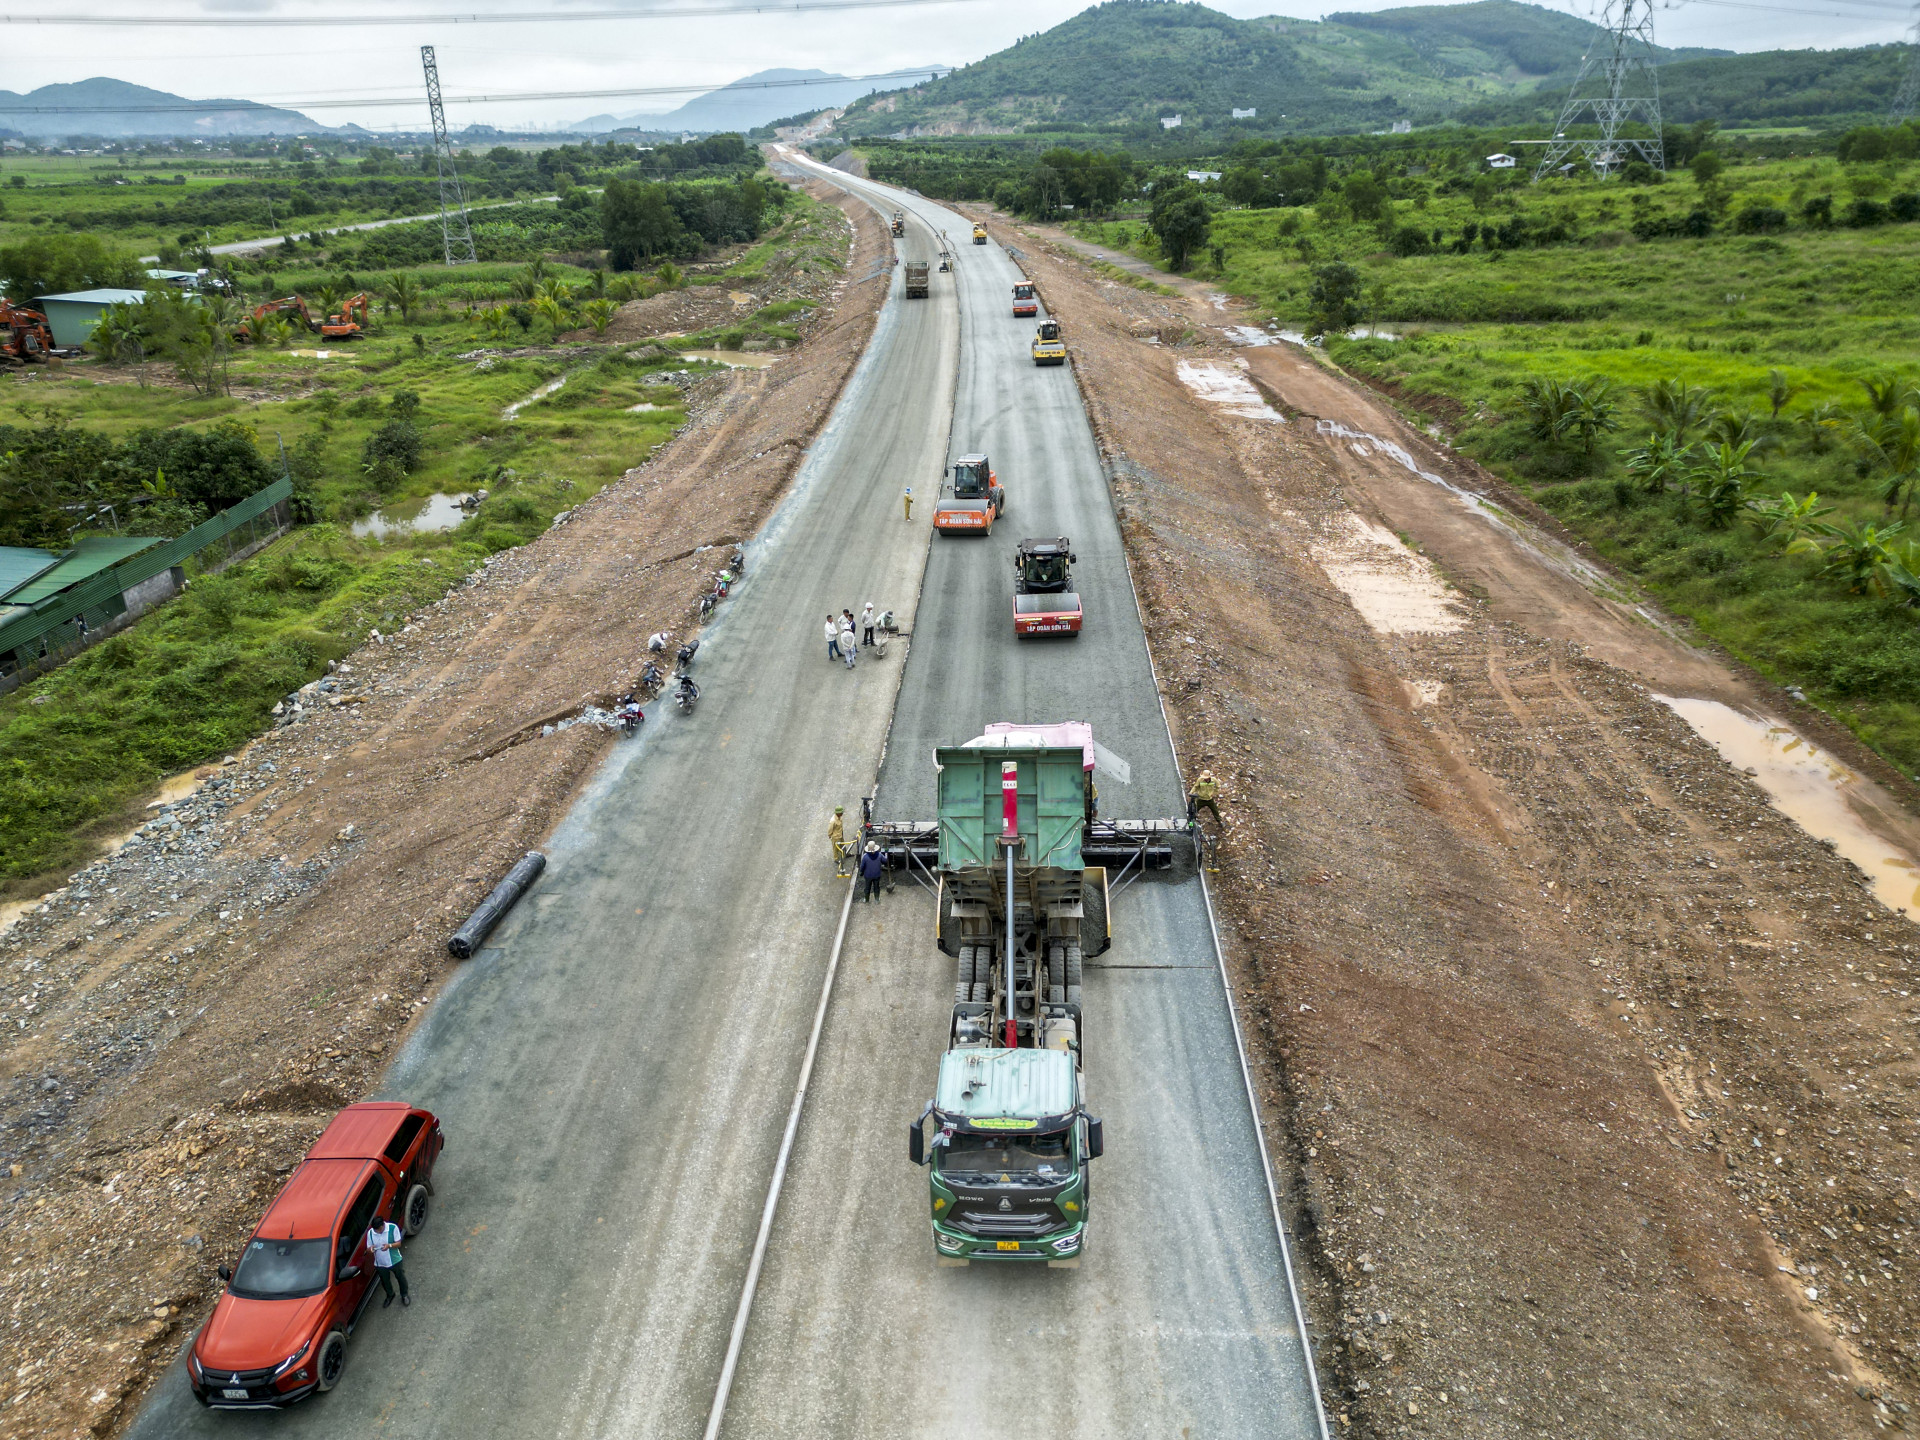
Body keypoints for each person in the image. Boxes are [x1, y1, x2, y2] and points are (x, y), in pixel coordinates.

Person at [366, 1213, 410, 1309]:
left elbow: (398, 1244)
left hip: (395, 1260)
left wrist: (389, 1246)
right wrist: (370, 1249)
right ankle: (390, 1295)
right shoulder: (370, 1233)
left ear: (383, 1225)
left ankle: (404, 1294)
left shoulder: (392, 1228)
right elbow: (368, 1249)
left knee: (401, 1278)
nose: (377, 1232)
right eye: (375, 1230)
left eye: (379, 1229)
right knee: (385, 1281)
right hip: (380, 1263)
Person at [828, 806, 850, 873]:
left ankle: (845, 854)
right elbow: (830, 830)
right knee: (836, 848)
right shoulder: (833, 821)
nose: (842, 814)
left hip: (840, 835)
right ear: (838, 813)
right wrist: (830, 836)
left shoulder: (839, 817)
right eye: (841, 812)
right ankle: (836, 859)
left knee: (843, 845)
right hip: (835, 837)